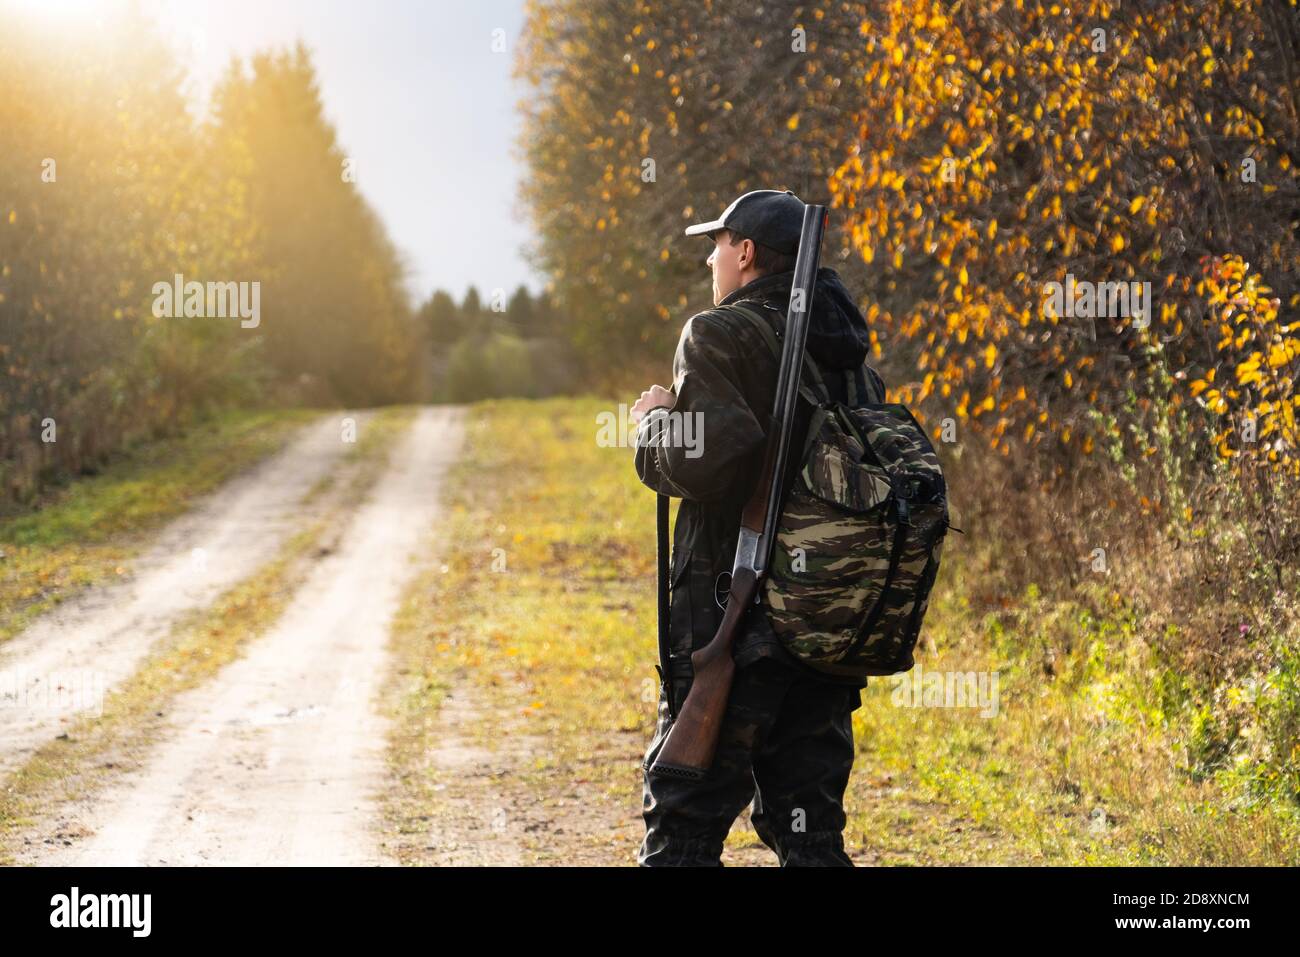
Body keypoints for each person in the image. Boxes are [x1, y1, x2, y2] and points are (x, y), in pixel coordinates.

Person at [629, 188, 886, 866]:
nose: (711, 258)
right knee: (809, 833)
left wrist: (656, 422)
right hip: (827, 623)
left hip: (736, 621)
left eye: (717, 243)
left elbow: (715, 452)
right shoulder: (849, 358)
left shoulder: (717, 333)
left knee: (682, 828)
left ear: (745, 253)